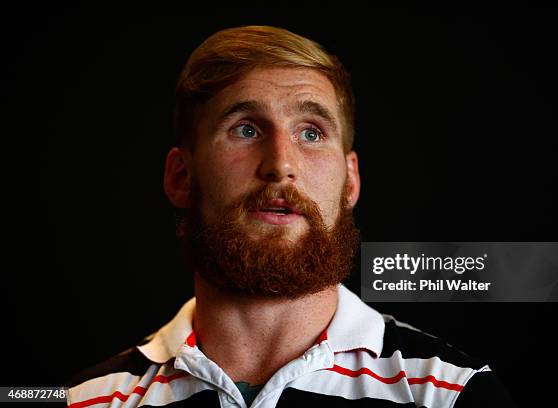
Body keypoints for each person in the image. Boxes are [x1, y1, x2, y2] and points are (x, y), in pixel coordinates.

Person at [65, 25, 515, 407]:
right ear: (181, 176)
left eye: (311, 132)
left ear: (351, 181)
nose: (281, 163)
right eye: (246, 129)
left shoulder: (453, 394)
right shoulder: (88, 399)